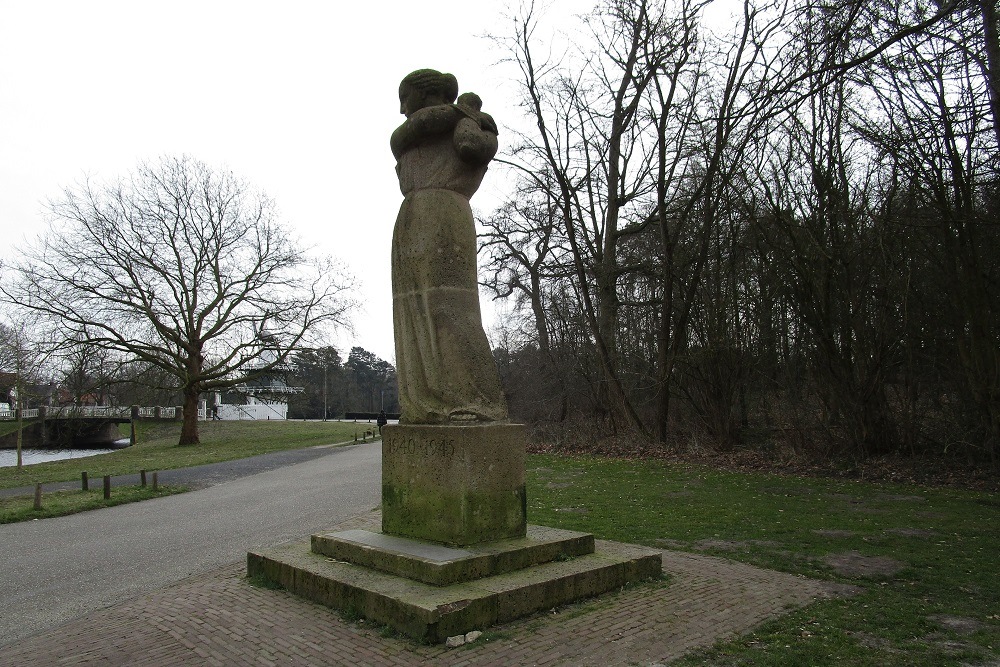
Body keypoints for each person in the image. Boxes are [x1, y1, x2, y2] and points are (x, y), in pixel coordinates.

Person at [389, 69, 509, 425]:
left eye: (404, 97)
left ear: (424, 94)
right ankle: (426, 401)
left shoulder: (473, 126)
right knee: (413, 312)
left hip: (445, 214)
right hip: (410, 220)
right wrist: (462, 112)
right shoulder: (425, 128)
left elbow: (472, 148)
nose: (400, 109)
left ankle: (478, 399)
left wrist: (469, 118)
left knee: (448, 307)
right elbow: (403, 136)